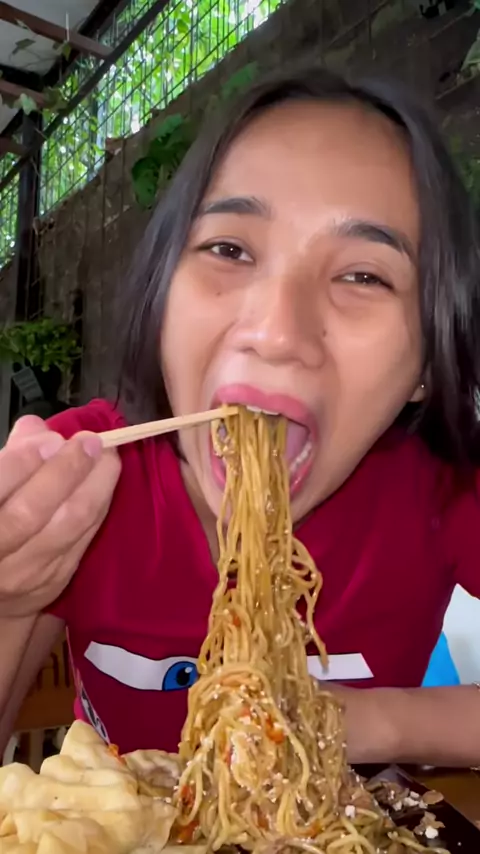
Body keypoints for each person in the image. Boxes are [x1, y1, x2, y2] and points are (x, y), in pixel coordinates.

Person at [0, 63, 479, 766]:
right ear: (162, 295)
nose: (276, 331)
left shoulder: (441, 488)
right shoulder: (87, 475)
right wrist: (11, 598)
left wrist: (367, 722)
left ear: (428, 362)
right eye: (229, 249)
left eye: (364, 275)